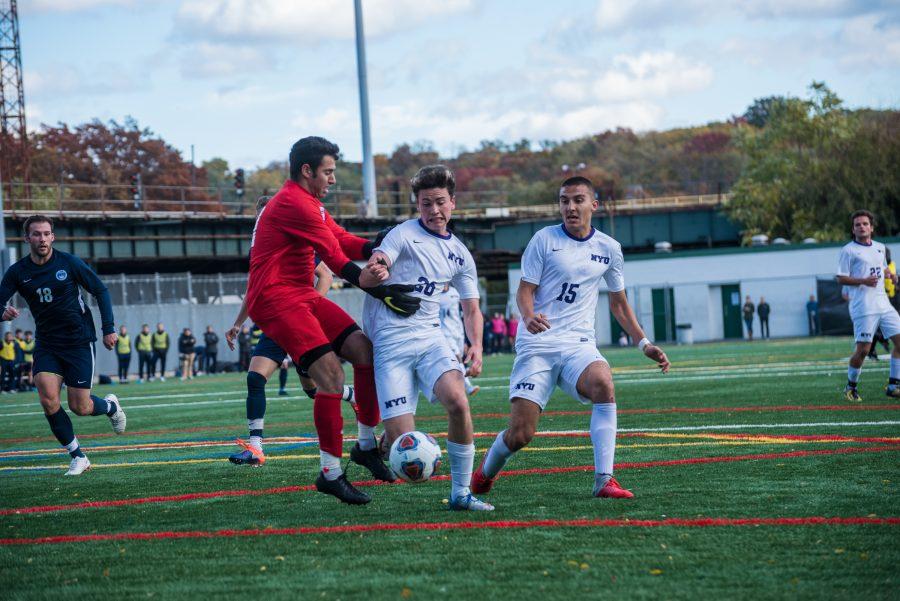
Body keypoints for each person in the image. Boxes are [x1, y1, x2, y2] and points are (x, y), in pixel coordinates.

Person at [244, 136, 421, 504]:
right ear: (307, 171)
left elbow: (340, 239)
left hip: (299, 292)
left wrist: (376, 247)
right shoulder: (294, 202)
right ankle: (330, 473)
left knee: (363, 352)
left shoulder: (310, 203)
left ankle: (366, 446)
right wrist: (378, 289)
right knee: (331, 376)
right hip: (275, 298)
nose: (333, 180)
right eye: (328, 172)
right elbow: (336, 260)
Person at [471, 176, 670, 500]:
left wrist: (644, 343)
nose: (570, 207)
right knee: (521, 434)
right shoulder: (544, 240)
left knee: (604, 384)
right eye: (564, 200)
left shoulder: (609, 249)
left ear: (594, 204)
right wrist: (528, 315)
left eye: (578, 200)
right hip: (537, 343)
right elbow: (525, 291)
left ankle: (604, 479)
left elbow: (619, 304)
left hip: (578, 343)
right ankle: (485, 473)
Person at [363, 164, 492, 511]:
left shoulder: (461, 254)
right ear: (416, 205)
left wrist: (476, 346)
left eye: (439, 202)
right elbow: (377, 263)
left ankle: (461, 494)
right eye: (425, 204)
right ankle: (377, 444)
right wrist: (377, 268)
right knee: (401, 444)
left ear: (452, 202)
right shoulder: (402, 234)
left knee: (458, 401)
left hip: (430, 339)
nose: (433, 211)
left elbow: (471, 308)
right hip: (391, 345)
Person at [226, 195, 356, 466]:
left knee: (313, 389)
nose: (263, 220)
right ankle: (256, 448)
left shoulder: (293, 239)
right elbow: (254, 290)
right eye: (260, 215)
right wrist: (238, 324)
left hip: (297, 319)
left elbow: (327, 274)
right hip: (275, 323)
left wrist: (310, 306)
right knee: (254, 379)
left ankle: (351, 395)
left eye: (267, 214)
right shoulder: (261, 249)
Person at [0, 214, 125, 475]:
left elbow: (100, 290)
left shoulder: (68, 263)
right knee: (48, 399)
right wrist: (2, 312)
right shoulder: (18, 272)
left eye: (46, 234)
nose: (42, 238)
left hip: (78, 341)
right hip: (47, 343)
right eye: (36, 234)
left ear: (53, 237)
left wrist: (109, 328)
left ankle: (111, 406)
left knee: (81, 407)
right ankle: (78, 456)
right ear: (27, 238)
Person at [836, 210, 900, 402]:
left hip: (884, 304)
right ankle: (851, 386)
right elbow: (841, 278)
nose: (861, 227)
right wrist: (863, 280)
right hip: (863, 307)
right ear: (853, 229)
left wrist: (891, 275)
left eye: (865, 224)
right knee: (863, 350)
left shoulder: (880, 247)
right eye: (857, 224)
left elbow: (882, 267)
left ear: (871, 227)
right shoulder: (848, 250)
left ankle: (893, 385)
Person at [439, 283, 480, 397]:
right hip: (444, 333)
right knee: (457, 359)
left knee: (458, 360)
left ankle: (454, 384)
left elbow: (463, 314)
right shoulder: (435, 294)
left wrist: (466, 340)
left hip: (458, 332)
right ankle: (468, 387)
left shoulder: (455, 293)